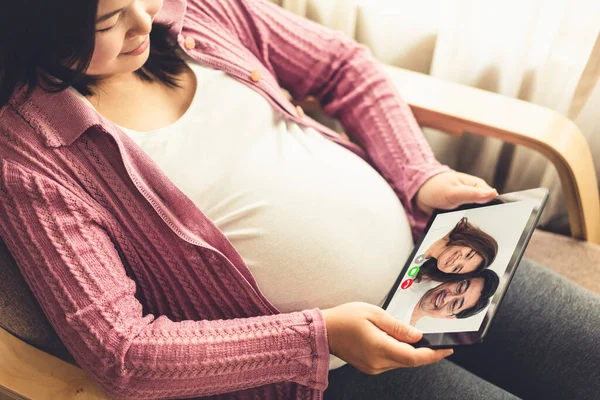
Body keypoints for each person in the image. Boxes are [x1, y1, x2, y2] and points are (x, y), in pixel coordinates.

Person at [0, 1, 598, 399]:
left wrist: (418, 175)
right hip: (323, 374)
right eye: (107, 21)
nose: (146, 20)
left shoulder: (194, 13)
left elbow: (343, 65)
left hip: (436, 260)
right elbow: (121, 351)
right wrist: (316, 339)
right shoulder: (31, 159)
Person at [415, 217, 499, 283]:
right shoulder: (445, 220)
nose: (455, 262)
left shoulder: (414, 270)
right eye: (468, 255)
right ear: (472, 240)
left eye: (457, 268)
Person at [409, 269, 500, 326]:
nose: (447, 298)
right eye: (460, 287)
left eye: (455, 304)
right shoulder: (414, 271)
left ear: (449, 316)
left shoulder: (404, 339)